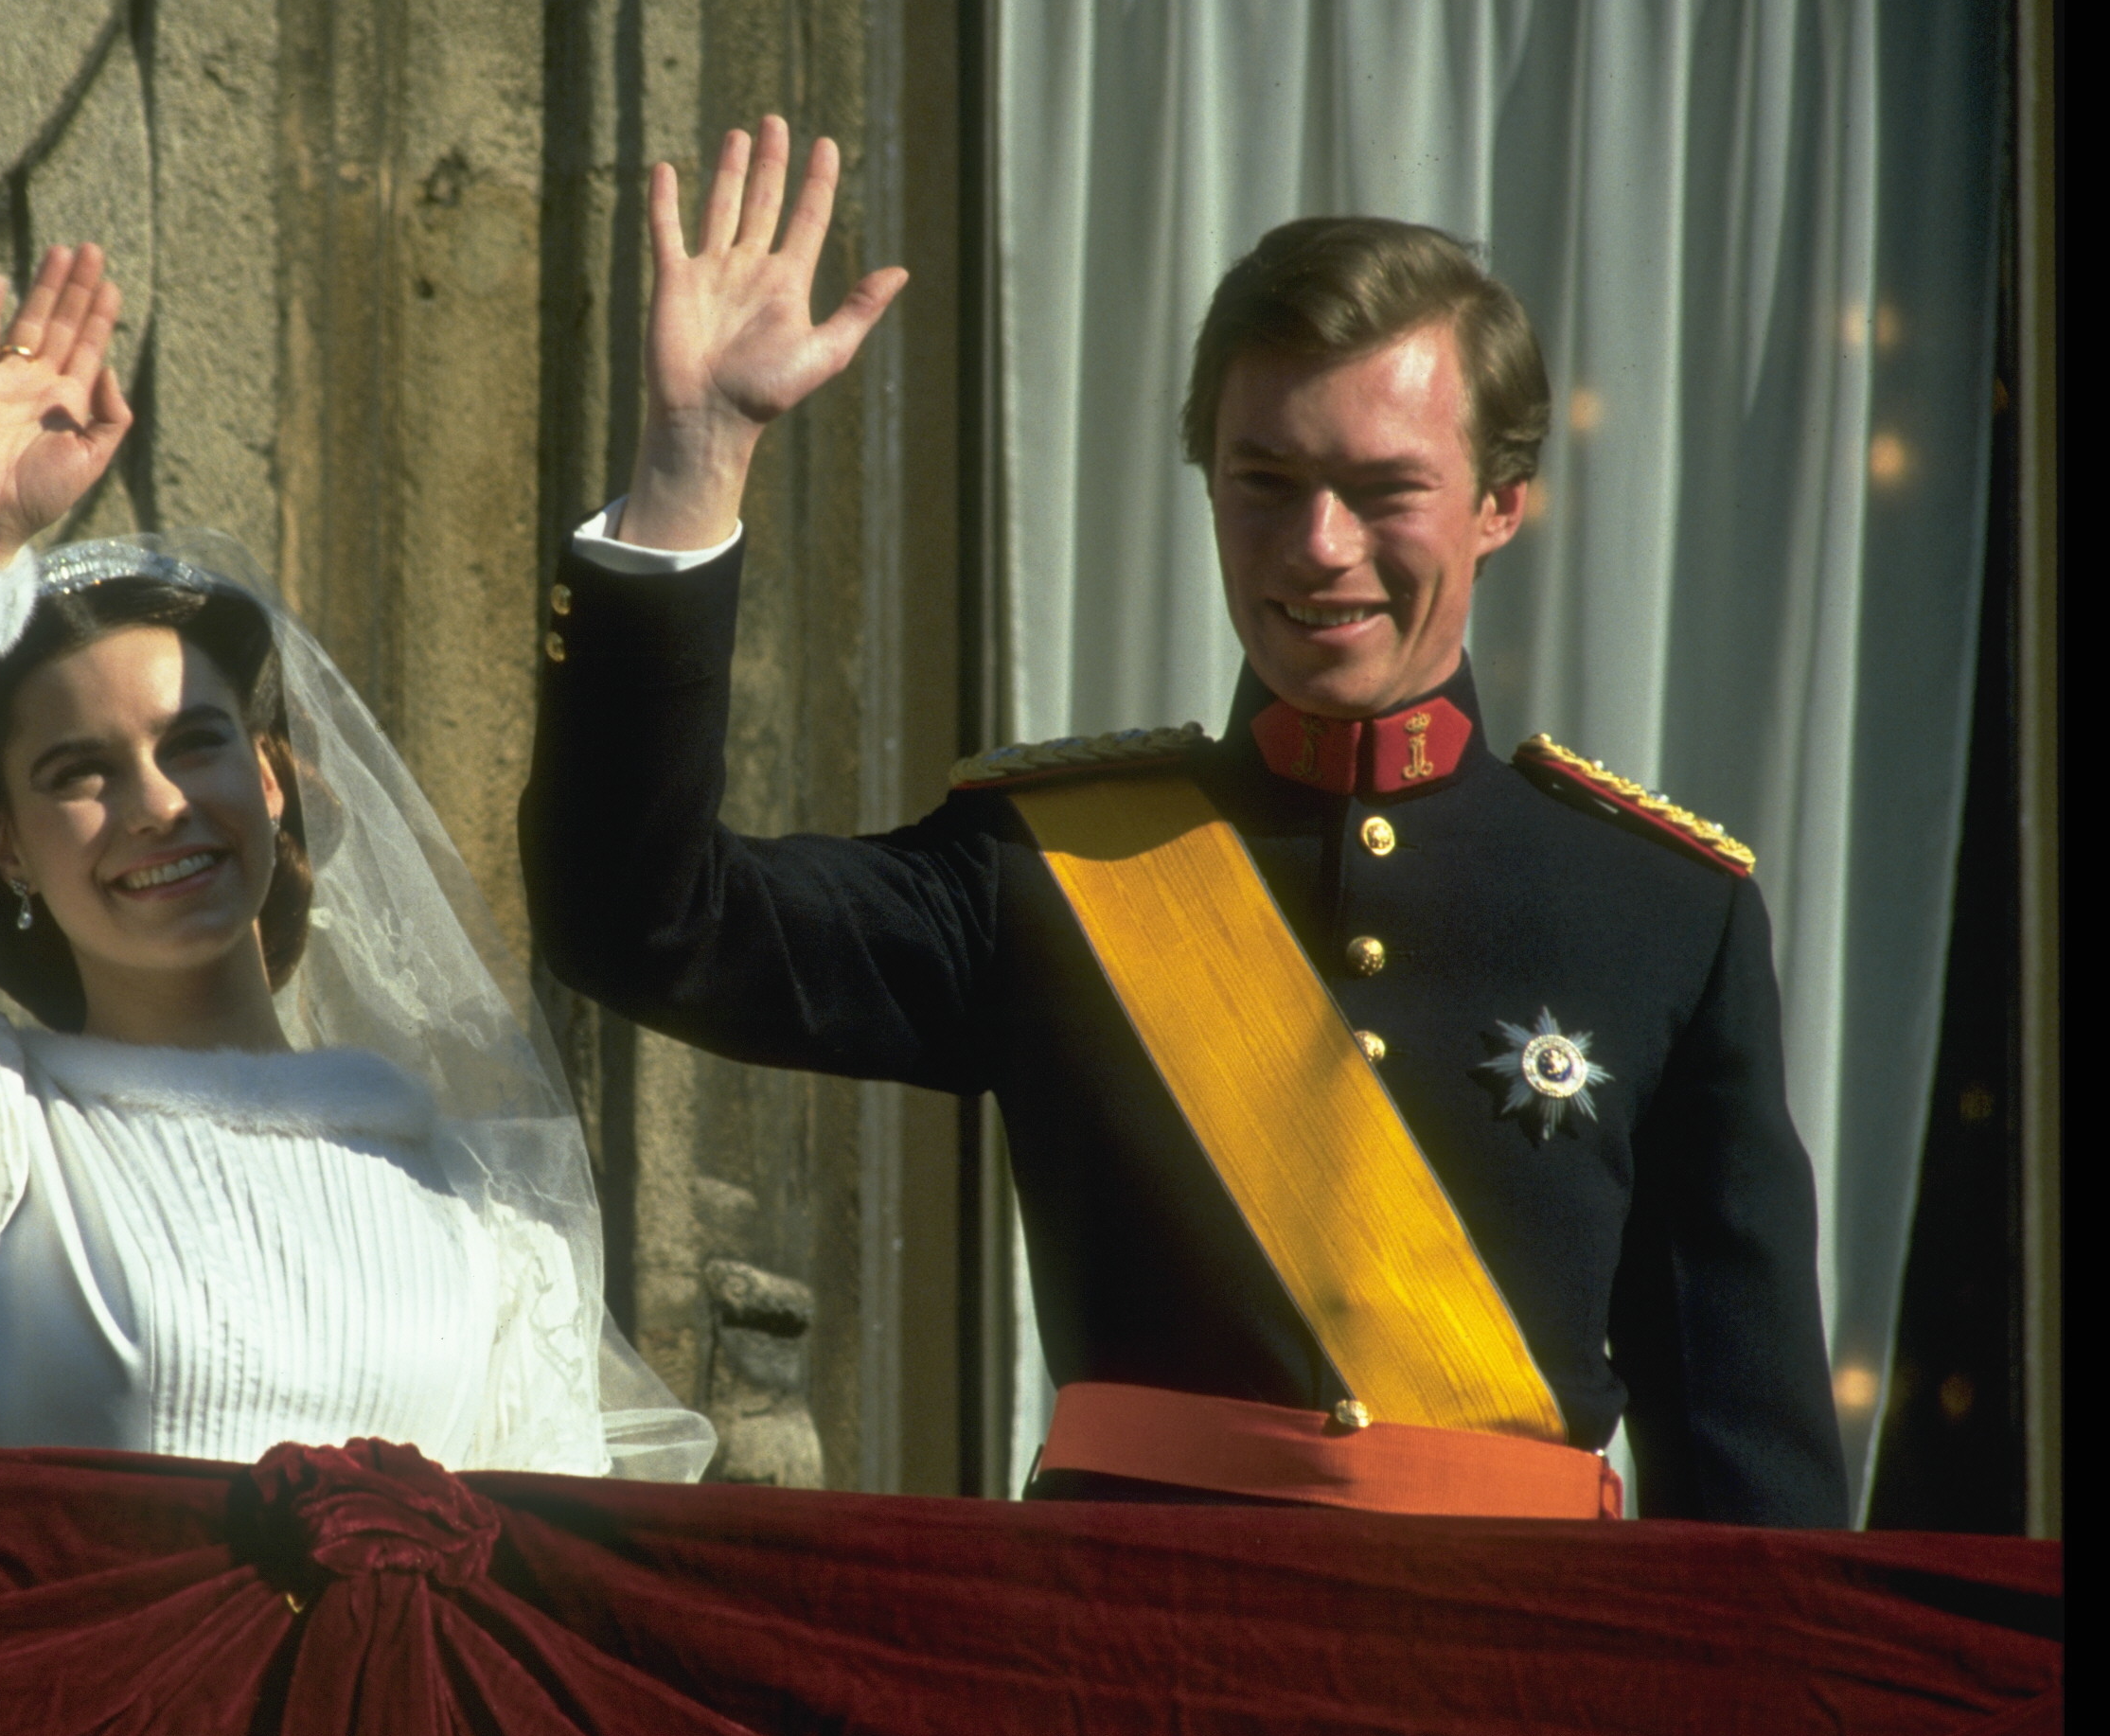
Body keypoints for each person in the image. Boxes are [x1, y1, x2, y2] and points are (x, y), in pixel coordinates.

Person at [520, 118, 1847, 1524]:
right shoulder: (1055, 866)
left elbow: (1750, 1474)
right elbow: (640, 922)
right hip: (1127, 1683)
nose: (1317, 546)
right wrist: (693, 460)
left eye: (1384, 489)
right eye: (1265, 482)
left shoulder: (1658, 908)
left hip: (1514, 1696)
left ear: (1500, 504)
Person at [0, 244, 711, 1480]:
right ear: (8, 847)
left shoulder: (461, 1193)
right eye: (79, 774)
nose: (157, 805)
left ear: (270, 782)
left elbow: (550, 1557)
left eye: (194, 745)